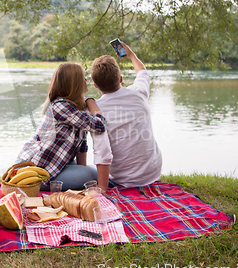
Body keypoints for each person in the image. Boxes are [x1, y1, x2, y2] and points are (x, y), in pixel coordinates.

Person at [15, 63, 106, 191]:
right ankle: (37, 185)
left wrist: (82, 169)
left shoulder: (77, 107)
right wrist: (90, 101)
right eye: (82, 77)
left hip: (56, 163)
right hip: (36, 170)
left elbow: (82, 146)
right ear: (74, 83)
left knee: (96, 175)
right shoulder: (60, 106)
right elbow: (100, 125)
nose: (86, 80)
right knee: (89, 176)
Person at [90, 41, 162, 191]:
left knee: (85, 172)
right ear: (121, 78)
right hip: (152, 174)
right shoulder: (139, 93)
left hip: (121, 180)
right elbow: (142, 72)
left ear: (95, 86)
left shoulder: (95, 110)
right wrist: (131, 55)